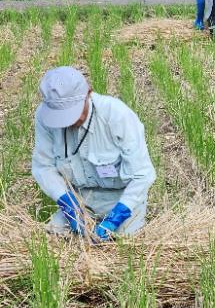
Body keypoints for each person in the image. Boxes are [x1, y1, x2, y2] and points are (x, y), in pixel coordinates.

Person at [31, 67, 157, 241]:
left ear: (88, 93)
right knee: (53, 239)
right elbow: (43, 166)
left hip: (121, 198)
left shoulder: (116, 115)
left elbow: (142, 174)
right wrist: (68, 203)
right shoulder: (44, 117)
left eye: (72, 113)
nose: (68, 122)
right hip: (80, 199)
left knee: (123, 245)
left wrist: (116, 217)